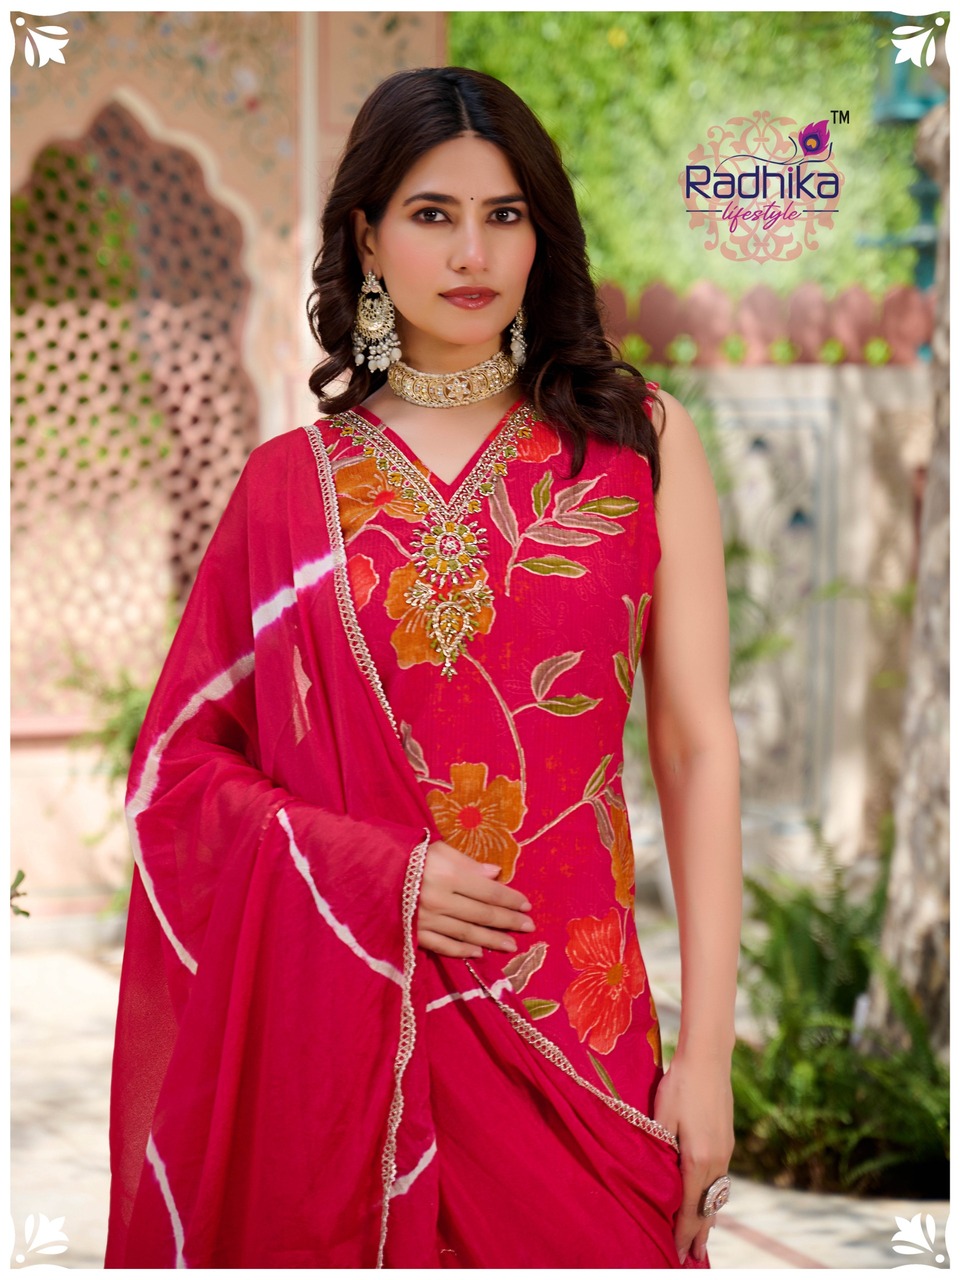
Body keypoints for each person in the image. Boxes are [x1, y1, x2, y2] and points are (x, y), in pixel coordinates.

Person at [105, 65, 742, 1269]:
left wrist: (707, 1058)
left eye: (505, 214)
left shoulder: (637, 444)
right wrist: (378, 876)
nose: (472, 253)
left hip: (580, 1042)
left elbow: (697, 745)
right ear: (367, 236)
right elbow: (179, 777)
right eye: (432, 214)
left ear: (542, 235)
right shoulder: (289, 490)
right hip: (348, 1043)